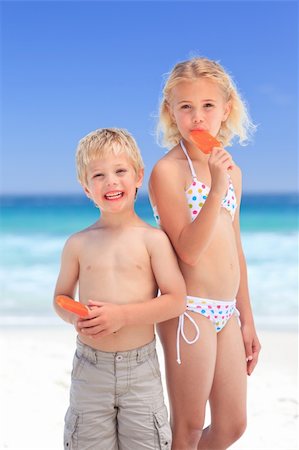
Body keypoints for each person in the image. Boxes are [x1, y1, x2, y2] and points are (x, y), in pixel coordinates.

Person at [149, 57, 261, 450]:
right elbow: (190, 251)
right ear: (170, 111)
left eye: (208, 106)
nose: (198, 118)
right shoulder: (169, 171)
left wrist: (247, 318)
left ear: (226, 110)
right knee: (190, 426)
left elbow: (235, 250)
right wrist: (216, 187)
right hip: (189, 310)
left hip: (225, 311)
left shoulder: (234, 172)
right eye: (186, 107)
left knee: (231, 425)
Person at [53, 127, 186, 450]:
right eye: (98, 175)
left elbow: (176, 299)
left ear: (139, 176)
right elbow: (60, 298)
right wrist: (75, 317)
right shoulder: (78, 243)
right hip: (90, 367)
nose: (110, 181)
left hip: (140, 368)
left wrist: (123, 316)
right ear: (86, 188)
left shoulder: (153, 240)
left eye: (120, 171)